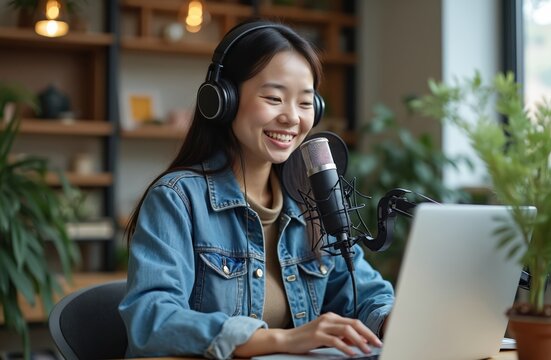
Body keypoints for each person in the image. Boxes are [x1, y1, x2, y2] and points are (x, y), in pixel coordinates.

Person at [119, 20, 395, 359]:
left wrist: (391, 320)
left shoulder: (313, 204)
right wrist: (285, 340)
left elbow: (364, 294)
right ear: (224, 100)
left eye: (305, 103)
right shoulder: (177, 199)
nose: (292, 118)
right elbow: (153, 319)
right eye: (274, 98)